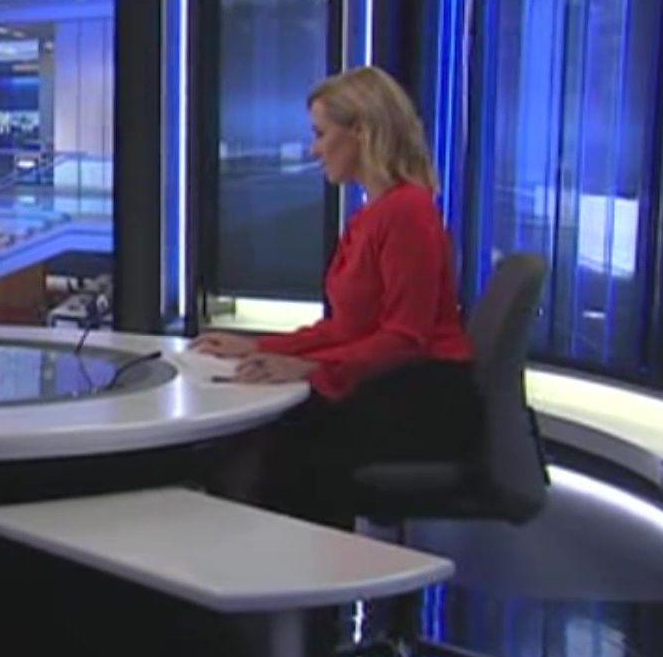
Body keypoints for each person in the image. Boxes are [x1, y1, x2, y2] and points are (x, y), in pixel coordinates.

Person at [194, 66, 480, 530]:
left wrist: (311, 368)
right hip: (387, 382)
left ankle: (298, 566)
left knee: (276, 442)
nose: (314, 149)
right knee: (262, 431)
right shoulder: (373, 215)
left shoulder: (408, 213)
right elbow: (344, 328)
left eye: (320, 134)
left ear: (362, 131)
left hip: (422, 396)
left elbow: (405, 338)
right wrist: (258, 346)